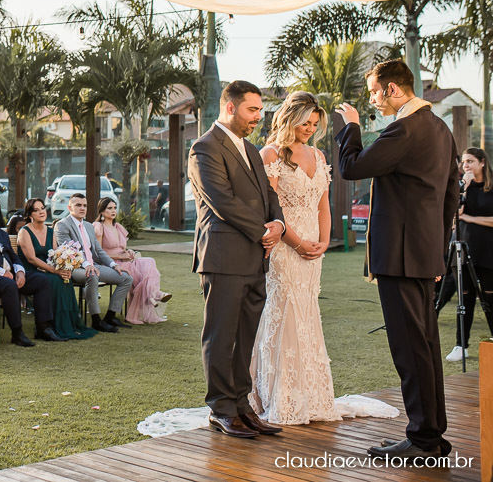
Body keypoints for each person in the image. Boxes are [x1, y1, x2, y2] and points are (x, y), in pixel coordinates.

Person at [336, 59, 459, 460]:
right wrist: (438, 253)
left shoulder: (404, 128)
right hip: (422, 257)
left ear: (392, 89)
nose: (372, 98)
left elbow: (352, 166)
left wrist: (351, 126)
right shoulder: (440, 128)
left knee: (410, 350)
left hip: (400, 258)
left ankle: (423, 440)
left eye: (374, 91)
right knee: (423, 346)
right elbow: (450, 199)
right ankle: (430, 436)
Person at [188, 79, 286, 439]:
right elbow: (222, 200)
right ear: (230, 107)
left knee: (246, 337)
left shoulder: (251, 148)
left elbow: (268, 195)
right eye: (252, 110)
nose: (258, 117)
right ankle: (221, 409)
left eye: (259, 110)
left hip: (255, 259)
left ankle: (243, 406)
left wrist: (278, 223)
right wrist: (264, 231)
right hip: (223, 257)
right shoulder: (204, 148)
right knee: (221, 335)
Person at [247, 91, 337, 424]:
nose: (310, 129)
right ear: (290, 118)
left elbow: (323, 204)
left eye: (315, 124)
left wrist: (324, 241)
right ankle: (274, 394)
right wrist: (297, 242)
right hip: (285, 247)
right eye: (305, 122)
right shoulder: (269, 154)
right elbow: (272, 208)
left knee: (308, 313)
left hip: (314, 247)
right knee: (283, 312)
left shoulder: (319, 155)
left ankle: (311, 395)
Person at [0, 191, 59, 347]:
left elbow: (13, 256)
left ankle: (43, 327)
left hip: (10, 273)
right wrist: (2, 272)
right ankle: (17, 333)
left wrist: (20, 271)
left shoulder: (0, 232)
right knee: (9, 286)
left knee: (42, 280)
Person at [17, 198, 96, 340]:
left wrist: (63, 269)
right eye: (36, 210)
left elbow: (54, 254)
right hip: (30, 272)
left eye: (42, 208)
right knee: (52, 279)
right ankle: (46, 326)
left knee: (64, 279)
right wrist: (53, 270)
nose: (41, 212)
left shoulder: (50, 231)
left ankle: (66, 324)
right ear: (29, 214)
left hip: (47, 270)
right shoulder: (25, 232)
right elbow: (31, 258)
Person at [54, 193, 134, 332]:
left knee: (126, 278)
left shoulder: (88, 226)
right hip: (74, 267)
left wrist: (114, 265)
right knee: (92, 275)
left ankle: (110, 316)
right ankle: (96, 320)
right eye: (78, 205)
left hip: (94, 265)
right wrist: (87, 265)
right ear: (69, 207)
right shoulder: (62, 225)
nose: (82, 208)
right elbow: (69, 251)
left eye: (84, 205)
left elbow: (99, 250)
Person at [448, 147, 493, 362]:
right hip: (463, 248)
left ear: (482, 162)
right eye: (464, 162)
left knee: (490, 298)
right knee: (464, 299)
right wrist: (463, 188)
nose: (466, 166)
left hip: (488, 250)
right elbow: (455, 214)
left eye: (471, 161)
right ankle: (460, 345)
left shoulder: (491, 187)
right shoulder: (462, 188)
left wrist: (471, 219)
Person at [93, 198, 168, 324]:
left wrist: (129, 251)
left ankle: (154, 293)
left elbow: (121, 247)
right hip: (110, 263)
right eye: (109, 208)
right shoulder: (99, 227)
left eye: (114, 208)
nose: (113, 211)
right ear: (101, 211)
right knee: (137, 272)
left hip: (125, 259)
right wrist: (122, 257)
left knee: (149, 262)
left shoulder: (117, 227)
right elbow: (98, 253)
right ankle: (151, 297)